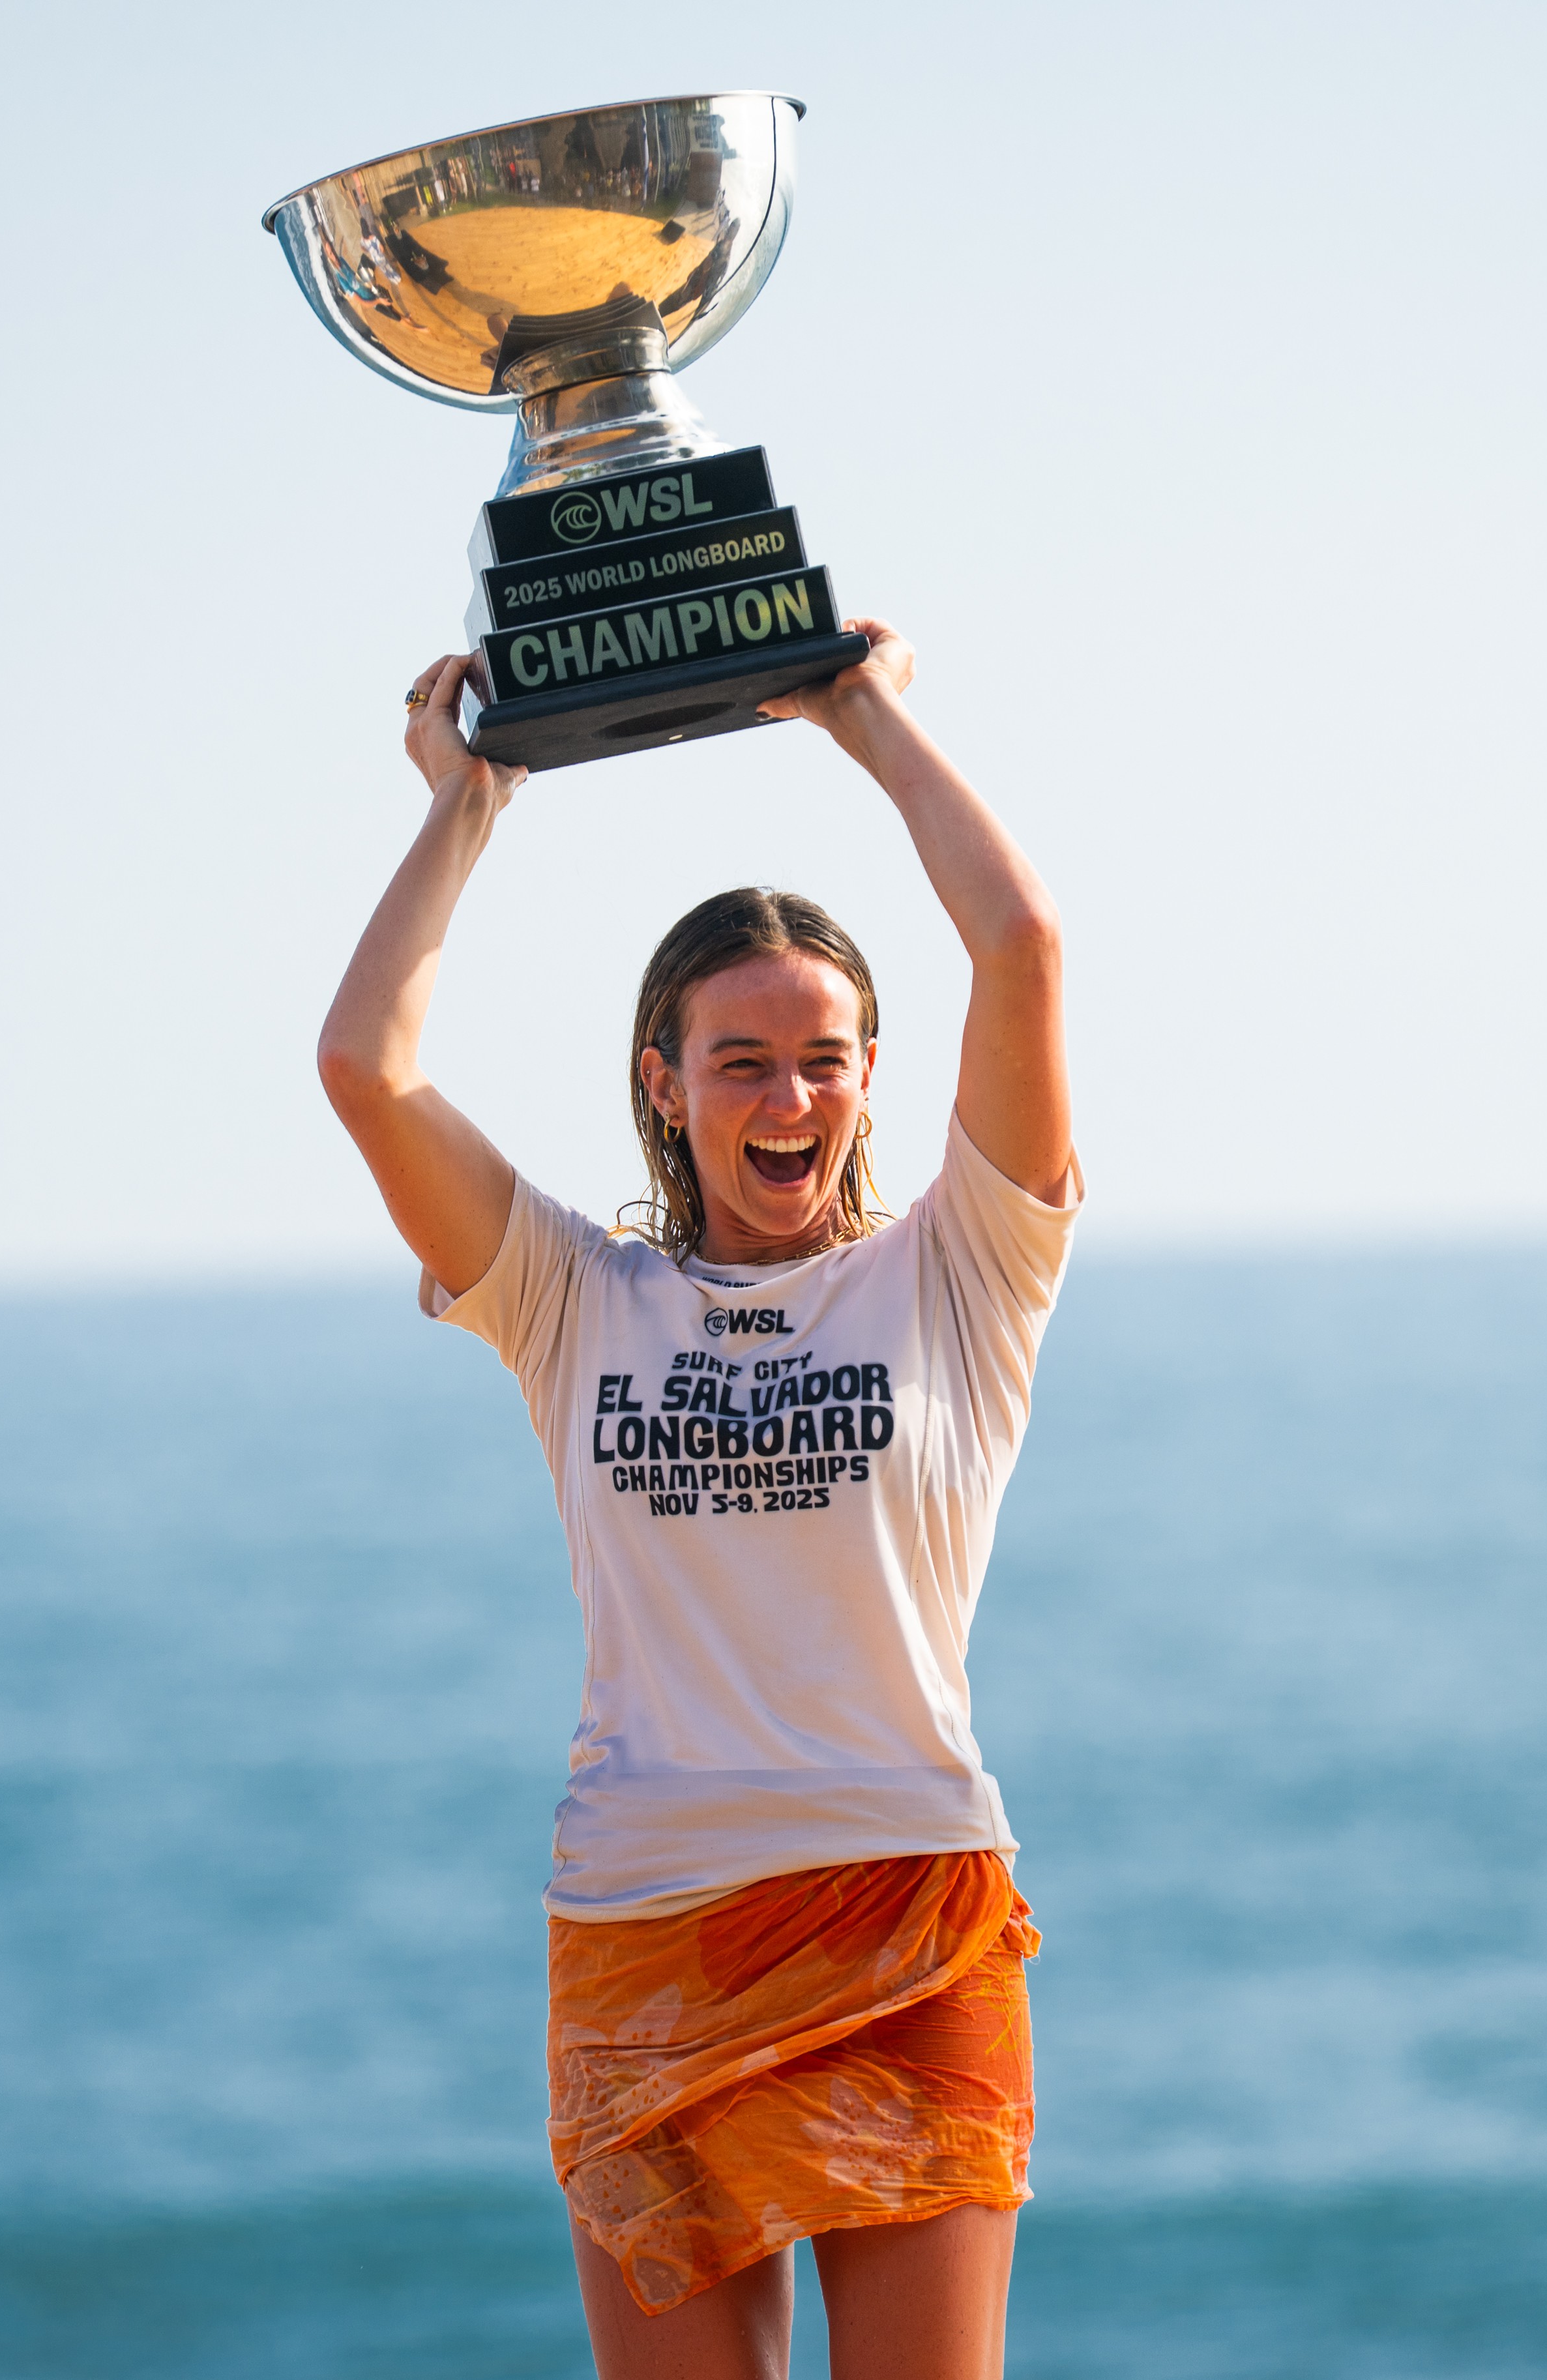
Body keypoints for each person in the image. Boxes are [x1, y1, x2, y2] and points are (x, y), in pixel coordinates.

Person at [317, 623, 1076, 2380]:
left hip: (907, 1909)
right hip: (647, 1928)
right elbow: (367, 1068)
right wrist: (467, 800)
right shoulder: (573, 1298)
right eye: (740, 1058)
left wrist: (859, 713)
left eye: (822, 1056)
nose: (787, 1094)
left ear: (869, 1077)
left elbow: (1022, 945)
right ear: (663, 1082)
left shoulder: (960, 1273)